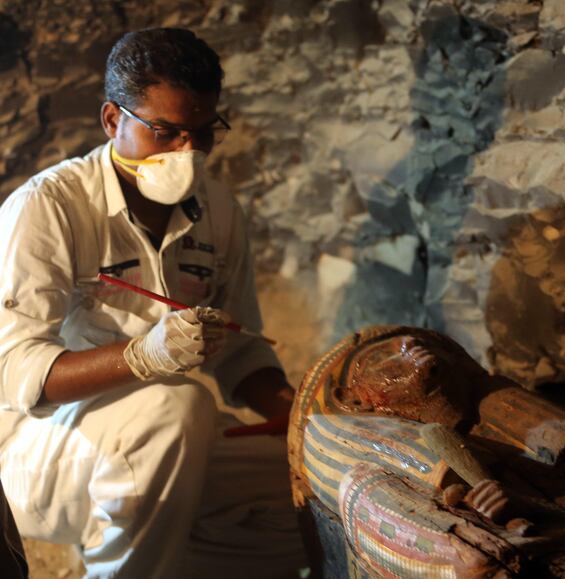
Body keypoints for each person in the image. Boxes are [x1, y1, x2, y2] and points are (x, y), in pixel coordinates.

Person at [0, 28, 306, 578]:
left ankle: (158, 561)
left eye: (202, 133)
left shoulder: (218, 209)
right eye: (164, 133)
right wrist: (143, 357)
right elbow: (16, 372)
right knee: (177, 405)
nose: (185, 153)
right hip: (36, 451)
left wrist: (309, 420)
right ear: (113, 121)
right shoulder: (49, 206)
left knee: (300, 485)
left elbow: (241, 354)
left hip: (159, 445)